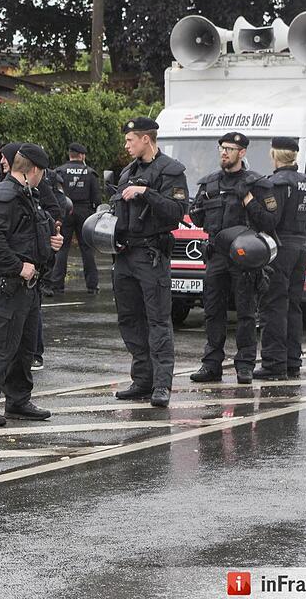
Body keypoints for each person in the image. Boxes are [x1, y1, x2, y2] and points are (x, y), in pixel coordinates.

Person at [0, 144, 62, 426]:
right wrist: (18, 266)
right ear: (34, 170)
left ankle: (18, 400)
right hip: (8, 285)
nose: (42, 179)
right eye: (42, 173)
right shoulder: (5, 194)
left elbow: (25, 232)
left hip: (28, 286)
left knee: (24, 347)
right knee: (1, 347)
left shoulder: (26, 194)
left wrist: (50, 243)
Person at [187, 132, 278, 385]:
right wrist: (198, 209)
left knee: (246, 312)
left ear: (242, 153)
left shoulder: (256, 184)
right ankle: (211, 364)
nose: (224, 152)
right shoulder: (210, 184)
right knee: (212, 311)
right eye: (222, 148)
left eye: (230, 148)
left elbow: (270, 222)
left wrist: (248, 200)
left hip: (244, 259)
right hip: (216, 256)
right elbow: (198, 218)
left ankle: (245, 365)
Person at [110, 119, 189, 408]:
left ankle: (161, 384)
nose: (127, 145)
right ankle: (142, 379)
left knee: (157, 321)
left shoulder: (171, 170)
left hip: (152, 255)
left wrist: (146, 193)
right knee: (129, 319)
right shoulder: (128, 172)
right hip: (126, 255)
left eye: (131, 139)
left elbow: (178, 212)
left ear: (146, 139)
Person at [256, 137, 306, 380]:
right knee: (293, 306)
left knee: (274, 306)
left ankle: (273, 364)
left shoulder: (275, 184)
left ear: (274, 154)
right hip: (301, 248)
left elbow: (271, 220)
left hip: (279, 249)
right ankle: (293, 360)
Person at [50, 143, 102, 294]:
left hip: (65, 211)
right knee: (87, 250)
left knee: (61, 248)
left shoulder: (59, 171)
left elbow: (54, 195)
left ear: (70, 155)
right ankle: (92, 286)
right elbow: (97, 199)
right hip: (85, 213)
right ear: (82, 156)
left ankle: (57, 285)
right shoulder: (90, 173)